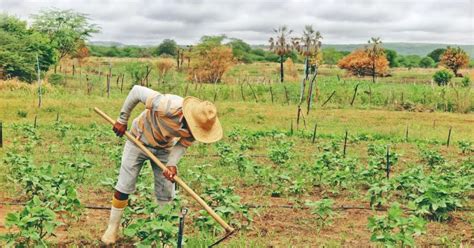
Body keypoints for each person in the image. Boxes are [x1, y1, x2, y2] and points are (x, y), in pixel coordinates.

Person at [101, 85, 223, 244]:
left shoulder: (197, 130)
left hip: (165, 148)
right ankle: (112, 229)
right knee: (125, 184)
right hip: (138, 139)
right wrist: (122, 119)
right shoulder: (166, 106)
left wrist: (172, 164)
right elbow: (136, 91)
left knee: (166, 192)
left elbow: (182, 145)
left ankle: (161, 234)